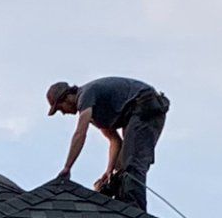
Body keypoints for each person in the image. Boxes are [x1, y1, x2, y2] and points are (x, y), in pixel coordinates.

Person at [47, 75, 171, 210]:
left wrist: (67, 167)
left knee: (132, 165)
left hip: (146, 107)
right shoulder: (94, 113)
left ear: (67, 97)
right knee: (120, 170)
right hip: (135, 114)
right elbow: (115, 140)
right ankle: (123, 207)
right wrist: (109, 171)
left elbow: (80, 133)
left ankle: (135, 213)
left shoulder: (85, 95)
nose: (63, 113)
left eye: (60, 108)